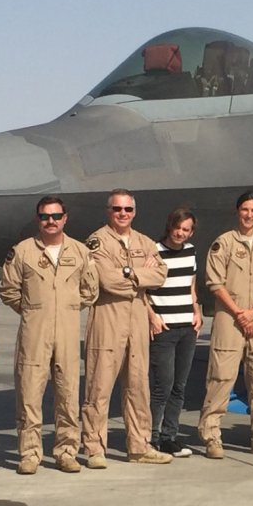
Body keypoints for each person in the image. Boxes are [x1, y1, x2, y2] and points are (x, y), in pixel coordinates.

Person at [0, 195, 99, 474]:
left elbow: (90, 291)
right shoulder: (23, 252)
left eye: (56, 216)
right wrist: (34, 311)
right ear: (38, 219)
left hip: (67, 333)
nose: (51, 221)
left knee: (68, 395)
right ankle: (29, 454)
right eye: (45, 216)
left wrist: (64, 309)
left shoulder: (80, 252)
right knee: (29, 394)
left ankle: (67, 451)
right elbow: (9, 290)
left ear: (65, 218)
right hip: (34, 334)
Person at [82, 189, 172, 467]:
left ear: (134, 212)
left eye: (128, 210)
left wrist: (129, 272)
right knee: (99, 386)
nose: (123, 214)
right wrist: (137, 275)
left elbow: (160, 275)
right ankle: (95, 448)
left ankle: (139, 446)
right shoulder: (97, 241)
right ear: (108, 211)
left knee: (138, 385)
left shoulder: (144, 241)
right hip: (108, 319)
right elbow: (107, 280)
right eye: (117, 209)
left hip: (137, 320)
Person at [198, 192, 253, 459]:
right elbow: (215, 283)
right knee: (221, 378)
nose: (249, 214)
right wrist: (239, 313)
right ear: (237, 212)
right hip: (229, 319)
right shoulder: (222, 243)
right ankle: (212, 436)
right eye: (245, 209)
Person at [147, 207, 203, 458]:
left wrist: (197, 311)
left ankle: (170, 436)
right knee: (162, 386)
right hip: (165, 328)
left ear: (191, 232)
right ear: (170, 226)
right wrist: (152, 316)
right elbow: (143, 290)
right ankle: (151, 437)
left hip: (187, 327)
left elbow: (191, 285)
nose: (181, 233)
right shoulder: (154, 251)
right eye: (177, 228)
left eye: (186, 229)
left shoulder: (190, 252)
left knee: (179, 386)